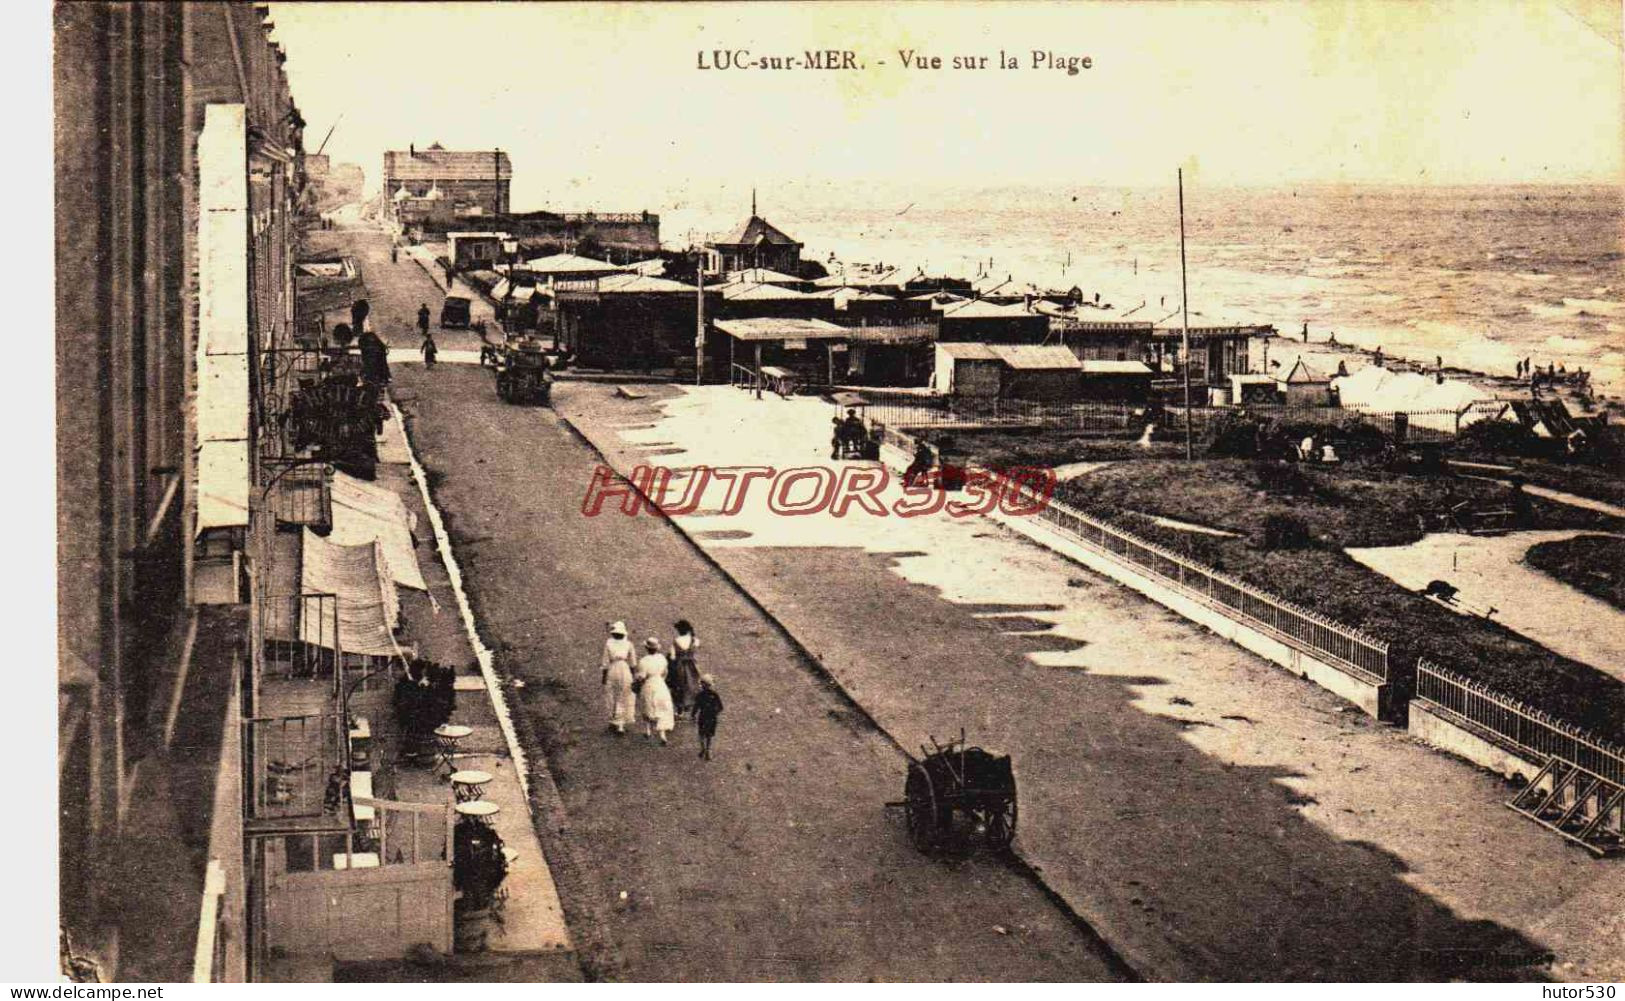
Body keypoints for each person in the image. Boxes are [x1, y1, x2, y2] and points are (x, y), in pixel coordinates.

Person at [635, 638, 675, 744]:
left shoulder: (644, 661)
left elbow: (642, 676)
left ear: (646, 648)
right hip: (660, 684)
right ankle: (662, 734)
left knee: (647, 705)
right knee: (662, 707)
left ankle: (647, 730)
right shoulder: (662, 658)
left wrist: (638, 679)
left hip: (649, 684)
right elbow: (665, 672)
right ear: (657, 648)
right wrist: (661, 680)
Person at [600, 622, 637, 735]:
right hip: (624, 669)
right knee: (624, 694)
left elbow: (605, 661)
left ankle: (613, 720)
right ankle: (620, 724)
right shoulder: (628, 644)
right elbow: (633, 662)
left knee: (611, 694)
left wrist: (604, 676)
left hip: (612, 669)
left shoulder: (609, 643)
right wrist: (633, 675)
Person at [669, 619, 702, 720]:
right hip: (693, 665)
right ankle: (690, 706)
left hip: (680, 666)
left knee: (679, 686)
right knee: (692, 685)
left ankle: (680, 710)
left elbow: (672, 657)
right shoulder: (695, 640)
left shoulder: (676, 641)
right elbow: (697, 648)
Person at [694, 675, 724, 761]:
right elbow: (720, 707)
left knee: (701, 734)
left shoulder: (700, 695)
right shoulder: (714, 694)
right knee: (709, 735)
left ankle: (703, 749)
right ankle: (708, 750)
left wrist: (693, 715)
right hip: (712, 717)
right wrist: (715, 712)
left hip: (702, 717)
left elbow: (696, 706)